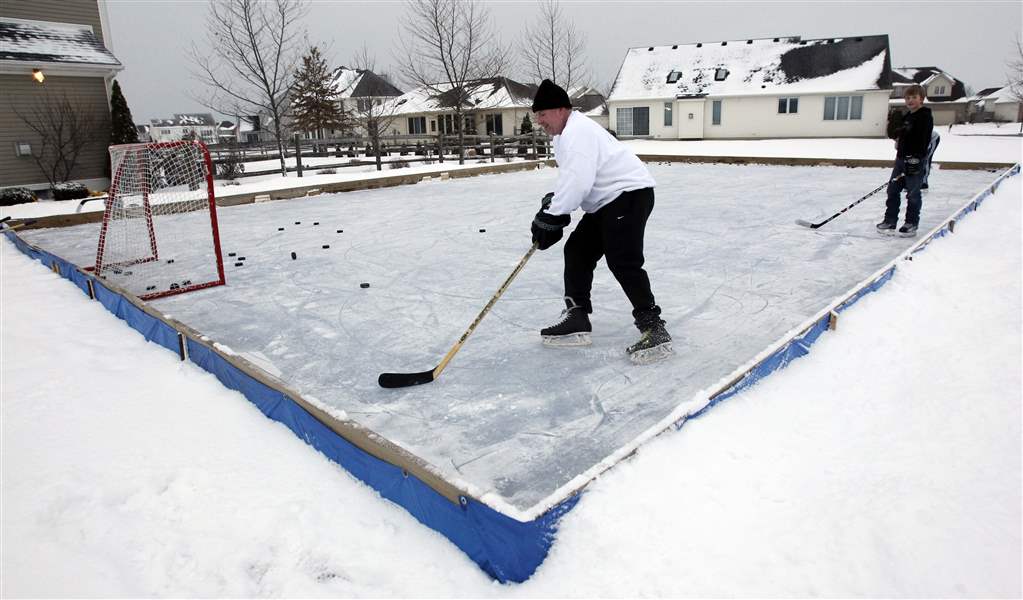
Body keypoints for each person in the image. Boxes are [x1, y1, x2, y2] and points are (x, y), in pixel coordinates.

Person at [528, 79, 672, 364]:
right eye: (537, 117)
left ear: (559, 110)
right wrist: (555, 205)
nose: (540, 122)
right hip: (607, 201)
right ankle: (577, 316)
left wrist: (553, 215)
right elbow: (573, 179)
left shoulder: (577, 132)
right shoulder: (565, 135)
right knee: (577, 250)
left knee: (623, 260)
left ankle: (653, 327)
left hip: (627, 195)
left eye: (542, 115)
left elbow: (579, 182)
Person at [877, 84, 933, 237]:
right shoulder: (907, 116)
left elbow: (922, 139)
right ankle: (890, 220)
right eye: (908, 98)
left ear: (921, 98)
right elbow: (901, 136)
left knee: (913, 193)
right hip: (901, 160)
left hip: (914, 160)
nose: (910, 100)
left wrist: (915, 158)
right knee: (893, 190)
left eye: (914, 97)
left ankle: (911, 223)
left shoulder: (924, 116)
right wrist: (897, 137)